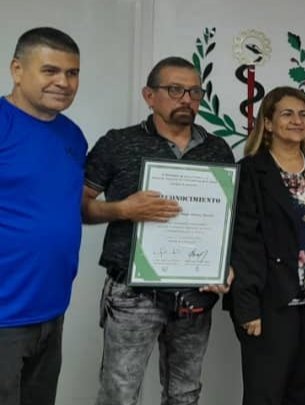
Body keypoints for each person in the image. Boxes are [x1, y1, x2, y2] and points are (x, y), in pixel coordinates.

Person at [81, 57, 234, 405]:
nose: (187, 99)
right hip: (133, 294)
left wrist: (224, 263)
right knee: (119, 393)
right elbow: (79, 206)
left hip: (195, 293)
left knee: (185, 394)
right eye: (175, 90)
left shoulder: (217, 149)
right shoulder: (118, 143)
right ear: (149, 95)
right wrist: (121, 209)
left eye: (195, 92)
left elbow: (225, 219)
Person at [227, 86, 305, 405]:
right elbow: (243, 242)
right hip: (271, 303)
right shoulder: (251, 170)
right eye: (287, 114)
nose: (297, 121)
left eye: (303, 114)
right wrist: (247, 307)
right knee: (265, 393)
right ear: (267, 122)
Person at [0, 27, 84, 405]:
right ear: (18, 70)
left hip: (52, 310)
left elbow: (65, 210)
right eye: (50, 71)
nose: (63, 82)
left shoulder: (72, 136)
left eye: (72, 73)